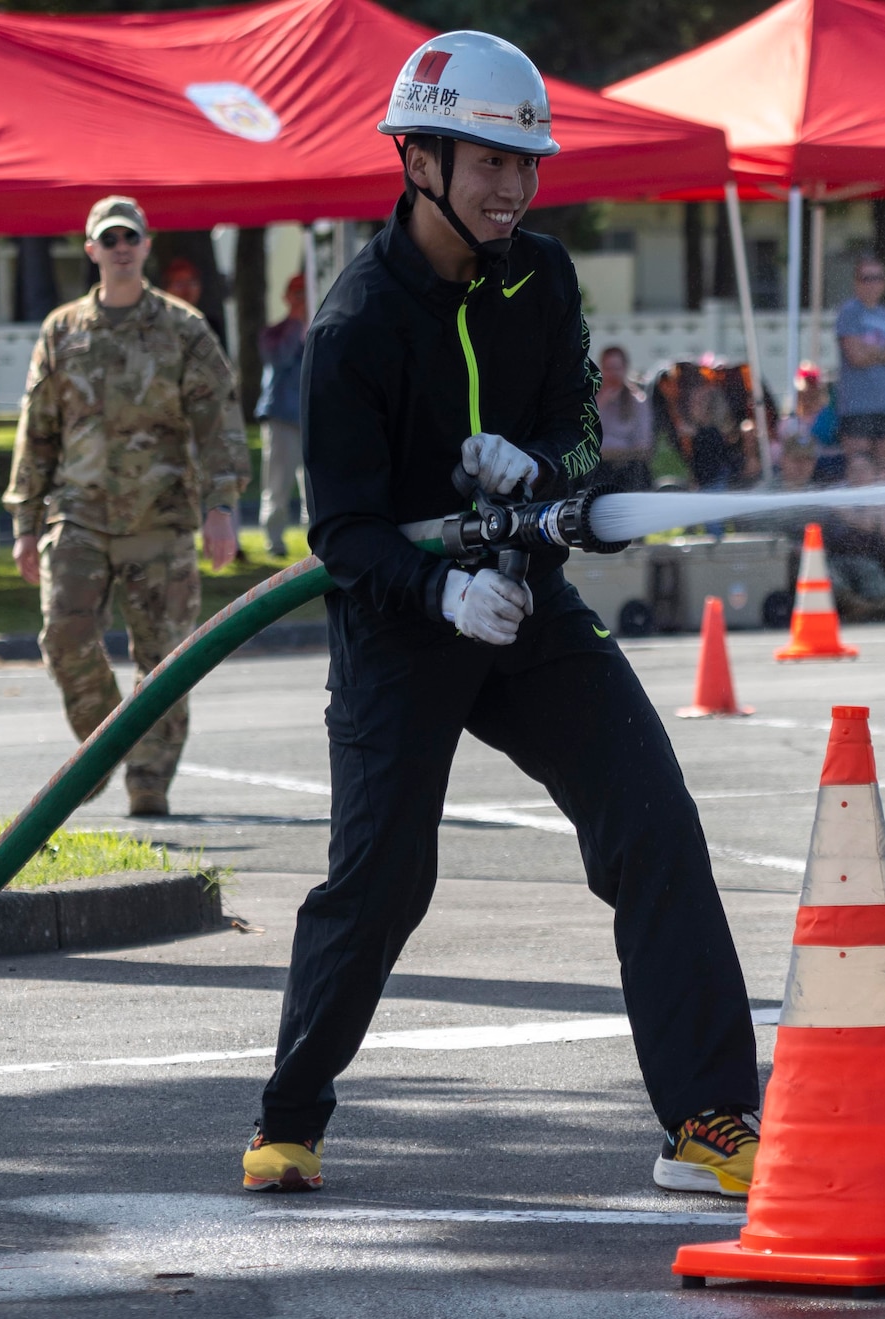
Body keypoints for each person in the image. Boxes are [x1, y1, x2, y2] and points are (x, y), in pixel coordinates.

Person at [241, 31, 759, 1200]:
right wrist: (437, 588)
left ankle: (709, 1118)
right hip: (403, 624)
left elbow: (584, 433)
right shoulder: (356, 326)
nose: (512, 187)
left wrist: (538, 469)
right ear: (418, 157)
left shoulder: (547, 279)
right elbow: (343, 535)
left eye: (525, 163)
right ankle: (288, 1115)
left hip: (527, 605)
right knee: (382, 878)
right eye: (485, 161)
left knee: (653, 820)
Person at [3, 195, 246, 819]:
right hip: (78, 517)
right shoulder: (62, 331)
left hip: (159, 521)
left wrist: (222, 505)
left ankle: (148, 779)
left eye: (128, 238)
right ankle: (103, 745)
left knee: (163, 657)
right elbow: (39, 432)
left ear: (145, 246)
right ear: (91, 251)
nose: (118, 249)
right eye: (107, 240)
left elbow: (217, 420)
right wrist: (25, 524)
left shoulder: (183, 328)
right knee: (64, 637)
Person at [836, 254, 885, 482]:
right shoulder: (850, 312)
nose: (872, 283)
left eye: (877, 278)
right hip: (858, 404)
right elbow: (855, 356)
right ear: (857, 282)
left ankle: (882, 518)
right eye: (866, 278)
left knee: (882, 472)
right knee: (860, 470)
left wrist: (872, 350)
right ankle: (860, 519)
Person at [258, 273, 310, 557]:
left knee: (315, 487)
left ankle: (315, 540)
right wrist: (296, 324)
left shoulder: (320, 326)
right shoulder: (274, 332)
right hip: (282, 417)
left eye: (306, 293)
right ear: (287, 297)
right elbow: (278, 359)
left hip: (312, 418)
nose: (302, 300)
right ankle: (273, 541)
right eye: (297, 294)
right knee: (277, 485)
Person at [593, 345, 655, 492]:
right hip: (597, 467)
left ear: (625, 368)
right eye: (608, 368)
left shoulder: (638, 401)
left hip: (626, 466)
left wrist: (614, 454)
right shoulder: (592, 400)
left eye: (616, 368)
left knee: (633, 472)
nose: (612, 374)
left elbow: (644, 446)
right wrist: (601, 403)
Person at [775, 362, 837, 489]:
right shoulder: (787, 422)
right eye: (805, 389)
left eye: (813, 388)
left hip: (824, 469)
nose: (809, 393)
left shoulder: (829, 417)